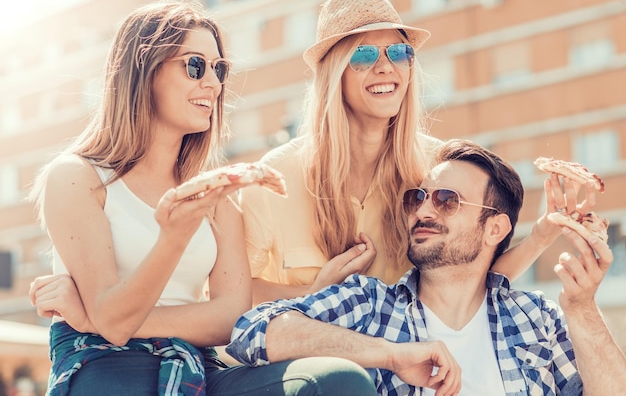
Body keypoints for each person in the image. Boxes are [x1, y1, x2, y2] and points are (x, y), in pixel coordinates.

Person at [28, 0, 377, 396]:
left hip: (197, 366)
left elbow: (230, 316)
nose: (212, 83)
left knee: (337, 381)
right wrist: (171, 240)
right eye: (195, 66)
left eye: (219, 68)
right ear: (143, 72)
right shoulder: (76, 177)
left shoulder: (217, 196)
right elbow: (114, 322)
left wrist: (94, 316)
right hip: (105, 362)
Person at [240, 0, 596, 305]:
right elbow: (232, 294)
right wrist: (317, 292)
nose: (385, 67)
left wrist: (541, 235)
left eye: (398, 53)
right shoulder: (275, 179)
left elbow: (470, 278)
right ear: (334, 74)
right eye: (364, 56)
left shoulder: (438, 170)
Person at [227, 138, 626, 395]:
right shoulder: (369, 305)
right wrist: (388, 355)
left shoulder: (536, 318)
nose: (424, 210)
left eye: (447, 200)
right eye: (418, 198)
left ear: (494, 229)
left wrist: (582, 308)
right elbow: (252, 332)